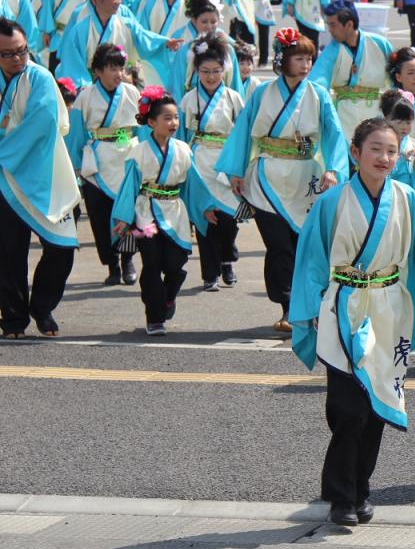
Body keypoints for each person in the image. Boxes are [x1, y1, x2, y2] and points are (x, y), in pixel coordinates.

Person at [290, 117, 415, 527]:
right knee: (347, 407)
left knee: (376, 405)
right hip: (342, 306)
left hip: (387, 309)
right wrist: (308, 310)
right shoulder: (332, 202)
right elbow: (311, 260)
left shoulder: (407, 198)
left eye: (392, 151)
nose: (384, 157)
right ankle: (342, 495)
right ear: (355, 152)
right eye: (375, 149)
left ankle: (360, 487)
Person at [217, 29, 347, 332]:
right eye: (299, 59)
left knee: (303, 246)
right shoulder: (263, 93)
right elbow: (243, 130)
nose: (306, 65)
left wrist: (333, 169)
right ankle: (287, 305)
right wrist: (237, 169)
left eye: (309, 59)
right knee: (278, 246)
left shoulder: (318, 94)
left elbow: (334, 134)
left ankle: (306, 306)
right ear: (282, 60)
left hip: (305, 177)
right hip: (268, 177)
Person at [111, 86, 218, 336]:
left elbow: (193, 183)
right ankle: (155, 317)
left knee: (175, 264)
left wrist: (205, 208)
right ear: (151, 122)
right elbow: (129, 187)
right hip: (146, 212)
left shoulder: (183, 149)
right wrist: (124, 218)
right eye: (167, 118)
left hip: (175, 212)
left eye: (176, 117)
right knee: (152, 264)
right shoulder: (138, 151)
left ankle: (168, 297)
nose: (174, 123)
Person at [0, 19, 79, 338]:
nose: (17, 58)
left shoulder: (40, 78)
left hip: (44, 173)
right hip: (4, 179)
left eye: (22, 51)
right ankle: (13, 318)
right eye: (8, 54)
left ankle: (42, 306)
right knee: (8, 252)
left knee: (62, 247)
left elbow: (42, 124)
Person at [65, 43, 141, 286]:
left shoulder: (132, 92)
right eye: (112, 68)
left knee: (127, 210)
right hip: (97, 161)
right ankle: (112, 264)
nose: (118, 73)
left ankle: (128, 259)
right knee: (99, 216)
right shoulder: (85, 96)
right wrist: (76, 166)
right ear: (98, 71)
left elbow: (144, 129)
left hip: (127, 156)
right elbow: (76, 134)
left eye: (121, 68)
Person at [180, 35, 246, 292]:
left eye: (216, 71)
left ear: (224, 70)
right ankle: (210, 273)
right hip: (199, 161)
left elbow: (242, 134)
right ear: (197, 71)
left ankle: (227, 259)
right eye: (205, 71)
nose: (211, 76)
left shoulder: (233, 98)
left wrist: (241, 164)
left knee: (229, 218)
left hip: (226, 161)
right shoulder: (189, 99)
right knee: (204, 219)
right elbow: (181, 135)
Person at [56, 0, 183, 90]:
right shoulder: (80, 30)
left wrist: (165, 42)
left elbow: (145, 39)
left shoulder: (127, 25)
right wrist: (84, 87)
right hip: (91, 88)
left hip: (122, 84)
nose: (118, 2)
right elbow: (72, 63)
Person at [308, 2, 394, 139]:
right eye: (329, 25)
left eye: (333, 25)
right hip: (344, 114)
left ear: (349, 24)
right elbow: (318, 81)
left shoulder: (379, 43)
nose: (330, 30)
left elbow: (397, 75)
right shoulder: (332, 50)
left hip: (375, 111)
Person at [169, 0, 243, 106]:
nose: (209, 26)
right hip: (193, 107)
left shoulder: (228, 51)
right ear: (195, 21)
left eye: (213, 22)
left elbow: (235, 84)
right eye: (204, 21)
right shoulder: (185, 51)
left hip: (224, 107)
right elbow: (177, 86)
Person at [138, 0, 190, 89]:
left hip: (180, 59)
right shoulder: (151, 3)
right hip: (154, 59)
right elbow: (142, 32)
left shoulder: (189, 4)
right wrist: (161, 42)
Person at [379, 89, 415, 190]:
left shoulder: (414, 147)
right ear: (386, 119)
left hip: (408, 194)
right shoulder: (377, 144)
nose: (404, 127)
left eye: (408, 122)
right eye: (399, 122)